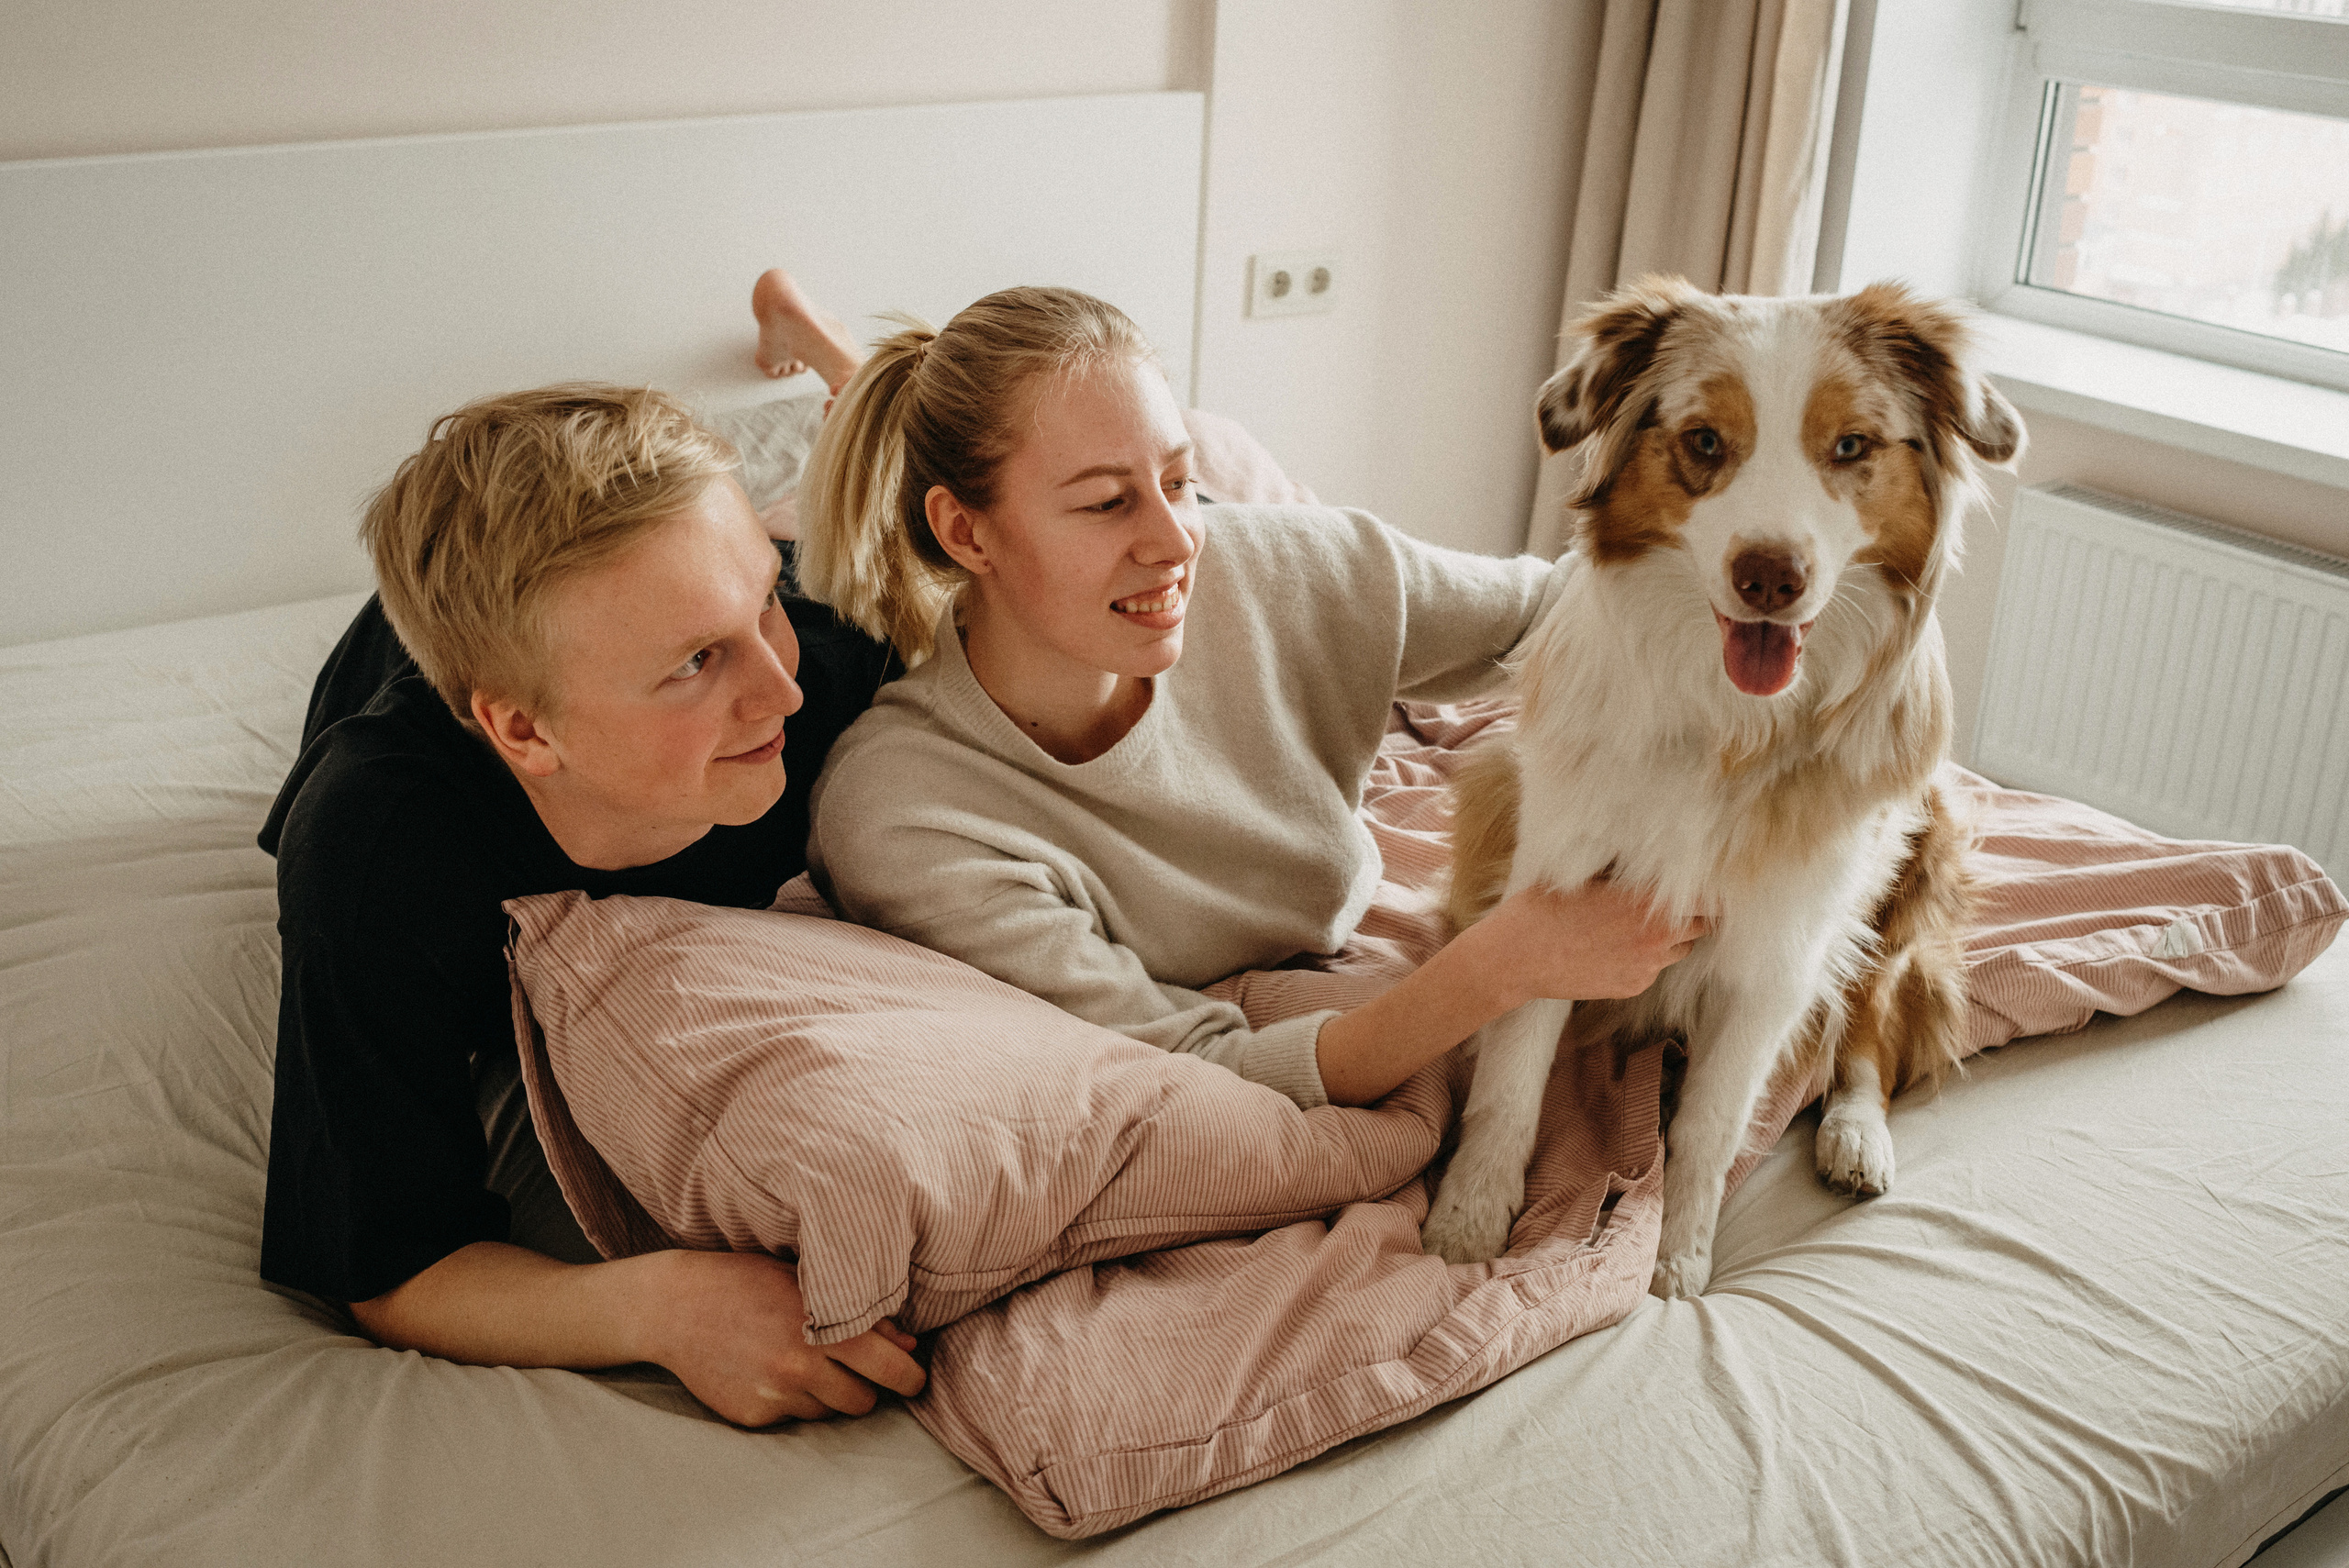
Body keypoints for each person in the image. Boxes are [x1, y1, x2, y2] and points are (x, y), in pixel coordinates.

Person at [259, 279, 926, 1426]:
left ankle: (824, 360)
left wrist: (752, 611)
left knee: (870, 494)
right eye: (694, 663)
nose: (780, 689)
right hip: (426, 668)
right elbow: (391, 1262)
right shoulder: (379, 853)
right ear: (523, 732)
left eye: (762, 610)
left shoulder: (818, 668)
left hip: (669, 604)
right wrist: (663, 1306)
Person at [798, 286, 1706, 1113]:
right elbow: (1207, 1065)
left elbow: (1554, 610)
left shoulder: (1275, 562)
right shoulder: (909, 814)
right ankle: (815, 335)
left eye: (1179, 481)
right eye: (1107, 502)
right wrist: (1507, 961)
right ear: (965, 532)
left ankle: (814, 334)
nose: (1175, 542)